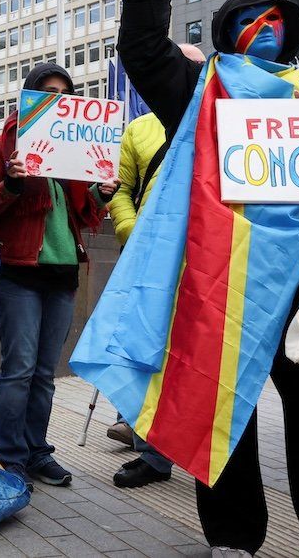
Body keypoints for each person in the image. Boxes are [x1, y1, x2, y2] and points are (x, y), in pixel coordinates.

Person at [116, 0, 299, 557]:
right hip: (221, 280)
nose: (264, 28)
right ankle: (233, 536)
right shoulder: (201, 91)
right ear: (230, 36)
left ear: (288, 34)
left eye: (275, 20)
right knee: (220, 412)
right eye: (249, 20)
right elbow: (143, 53)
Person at [0, 63, 102, 488]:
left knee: (44, 373)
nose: (57, 99)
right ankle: (9, 457)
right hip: (19, 272)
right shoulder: (8, 143)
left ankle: (36, 451)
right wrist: (13, 184)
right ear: (31, 95)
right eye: (47, 91)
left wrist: (99, 193)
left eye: (64, 92)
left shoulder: (75, 149)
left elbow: (85, 214)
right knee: (18, 368)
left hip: (62, 273)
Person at [106, 43, 205, 488]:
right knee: (151, 354)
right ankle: (154, 454)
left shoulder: (222, 123)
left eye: (197, 68)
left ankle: (203, 450)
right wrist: (132, 231)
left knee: (202, 359)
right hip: (151, 260)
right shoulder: (139, 129)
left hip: (210, 259)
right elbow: (118, 190)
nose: (188, 74)